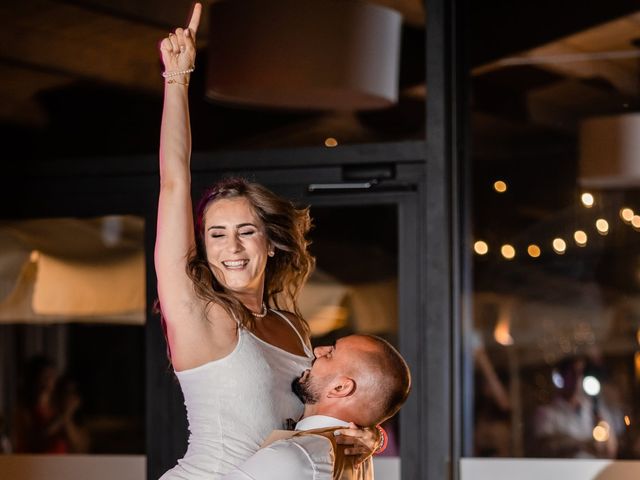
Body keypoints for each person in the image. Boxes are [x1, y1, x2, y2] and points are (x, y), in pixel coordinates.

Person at [156, 4, 378, 478]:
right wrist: (177, 80)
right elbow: (174, 182)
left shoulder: (293, 326)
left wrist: (361, 433)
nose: (231, 247)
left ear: (271, 242)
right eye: (216, 234)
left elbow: (305, 420)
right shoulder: (200, 311)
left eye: (246, 231)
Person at [221, 335, 412, 480]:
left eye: (330, 354)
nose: (317, 350)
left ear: (340, 388)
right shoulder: (358, 458)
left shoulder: (293, 456)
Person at [533, 356, 617, 459]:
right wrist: (583, 445)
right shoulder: (546, 413)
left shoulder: (597, 410)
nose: (578, 378)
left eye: (581, 373)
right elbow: (545, 448)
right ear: (562, 377)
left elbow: (610, 451)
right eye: (572, 373)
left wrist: (604, 434)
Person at [13, 356, 89, 454]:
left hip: (59, 463)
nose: (49, 380)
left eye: (52, 376)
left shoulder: (58, 406)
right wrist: (62, 418)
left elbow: (79, 446)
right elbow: (32, 443)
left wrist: (66, 417)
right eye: (45, 376)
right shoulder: (25, 409)